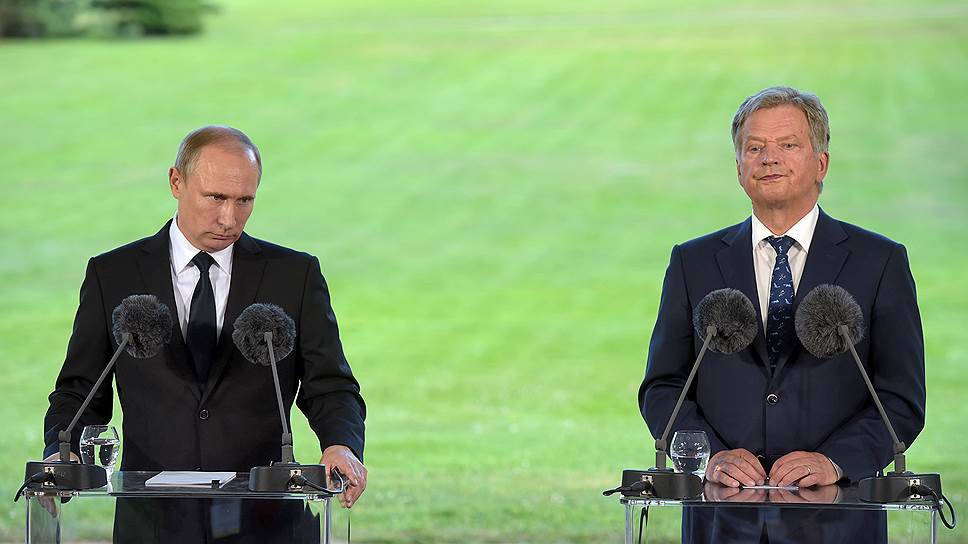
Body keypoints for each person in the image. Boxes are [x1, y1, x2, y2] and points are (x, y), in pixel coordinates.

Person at [41, 126, 367, 540]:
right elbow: (80, 390)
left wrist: (340, 443)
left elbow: (331, 386)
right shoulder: (113, 274)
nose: (229, 219)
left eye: (244, 200)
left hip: (262, 522)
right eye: (216, 197)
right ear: (176, 182)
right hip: (153, 523)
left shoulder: (294, 276)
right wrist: (63, 450)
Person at [639, 86, 926, 542]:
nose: (769, 158)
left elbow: (901, 399)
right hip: (721, 520)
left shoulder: (880, 262)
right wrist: (707, 456)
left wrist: (835, 462)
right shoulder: (692, 262)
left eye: (788, 145)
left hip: (839, 520)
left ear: (821, 163)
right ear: (739, 169)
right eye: (754, 148)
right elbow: (663, 386)